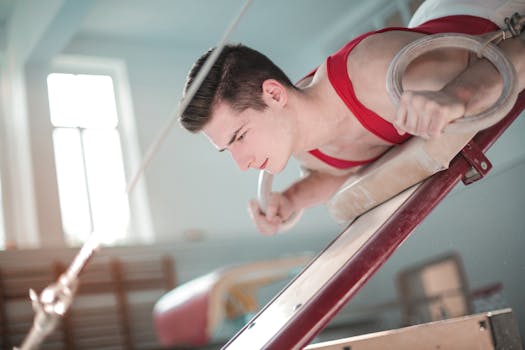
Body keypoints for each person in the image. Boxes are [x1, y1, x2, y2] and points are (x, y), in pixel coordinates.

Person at [179, 0, 525, 235]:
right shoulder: (299, 143)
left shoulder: (377, 74)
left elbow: (517, 50)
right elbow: (336, 170)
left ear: (274, 94)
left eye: (239, 136)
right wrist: (291, 200)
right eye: (229, 149)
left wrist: (457, 96)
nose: (242, 163)